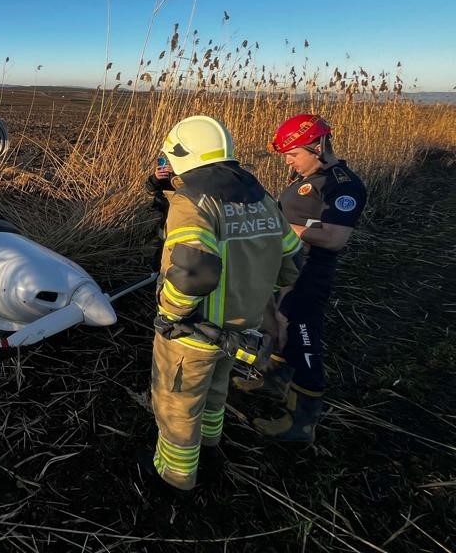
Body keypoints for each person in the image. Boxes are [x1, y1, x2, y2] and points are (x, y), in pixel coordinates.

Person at [140, 115, 301, 492]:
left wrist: (170, 312)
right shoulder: (259, 198)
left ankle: (174, 477)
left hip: (194, 333)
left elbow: (194, 271)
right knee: (215, 392)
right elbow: (293, 263)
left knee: (177, 406)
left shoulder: (192, 202)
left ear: (182, 157)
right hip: (238, 331)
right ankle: (210, 448)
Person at [246, 114, 367, 442]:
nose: (289, 162)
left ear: (318, 146)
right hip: (286, 265)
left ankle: (301, 421)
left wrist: (277, 228)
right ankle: (272, 379)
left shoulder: (343, 185)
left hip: (310, 272)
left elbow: (334, 237)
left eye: (294, 154)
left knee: (303, 336)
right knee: (278, 322)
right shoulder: (311, 176)